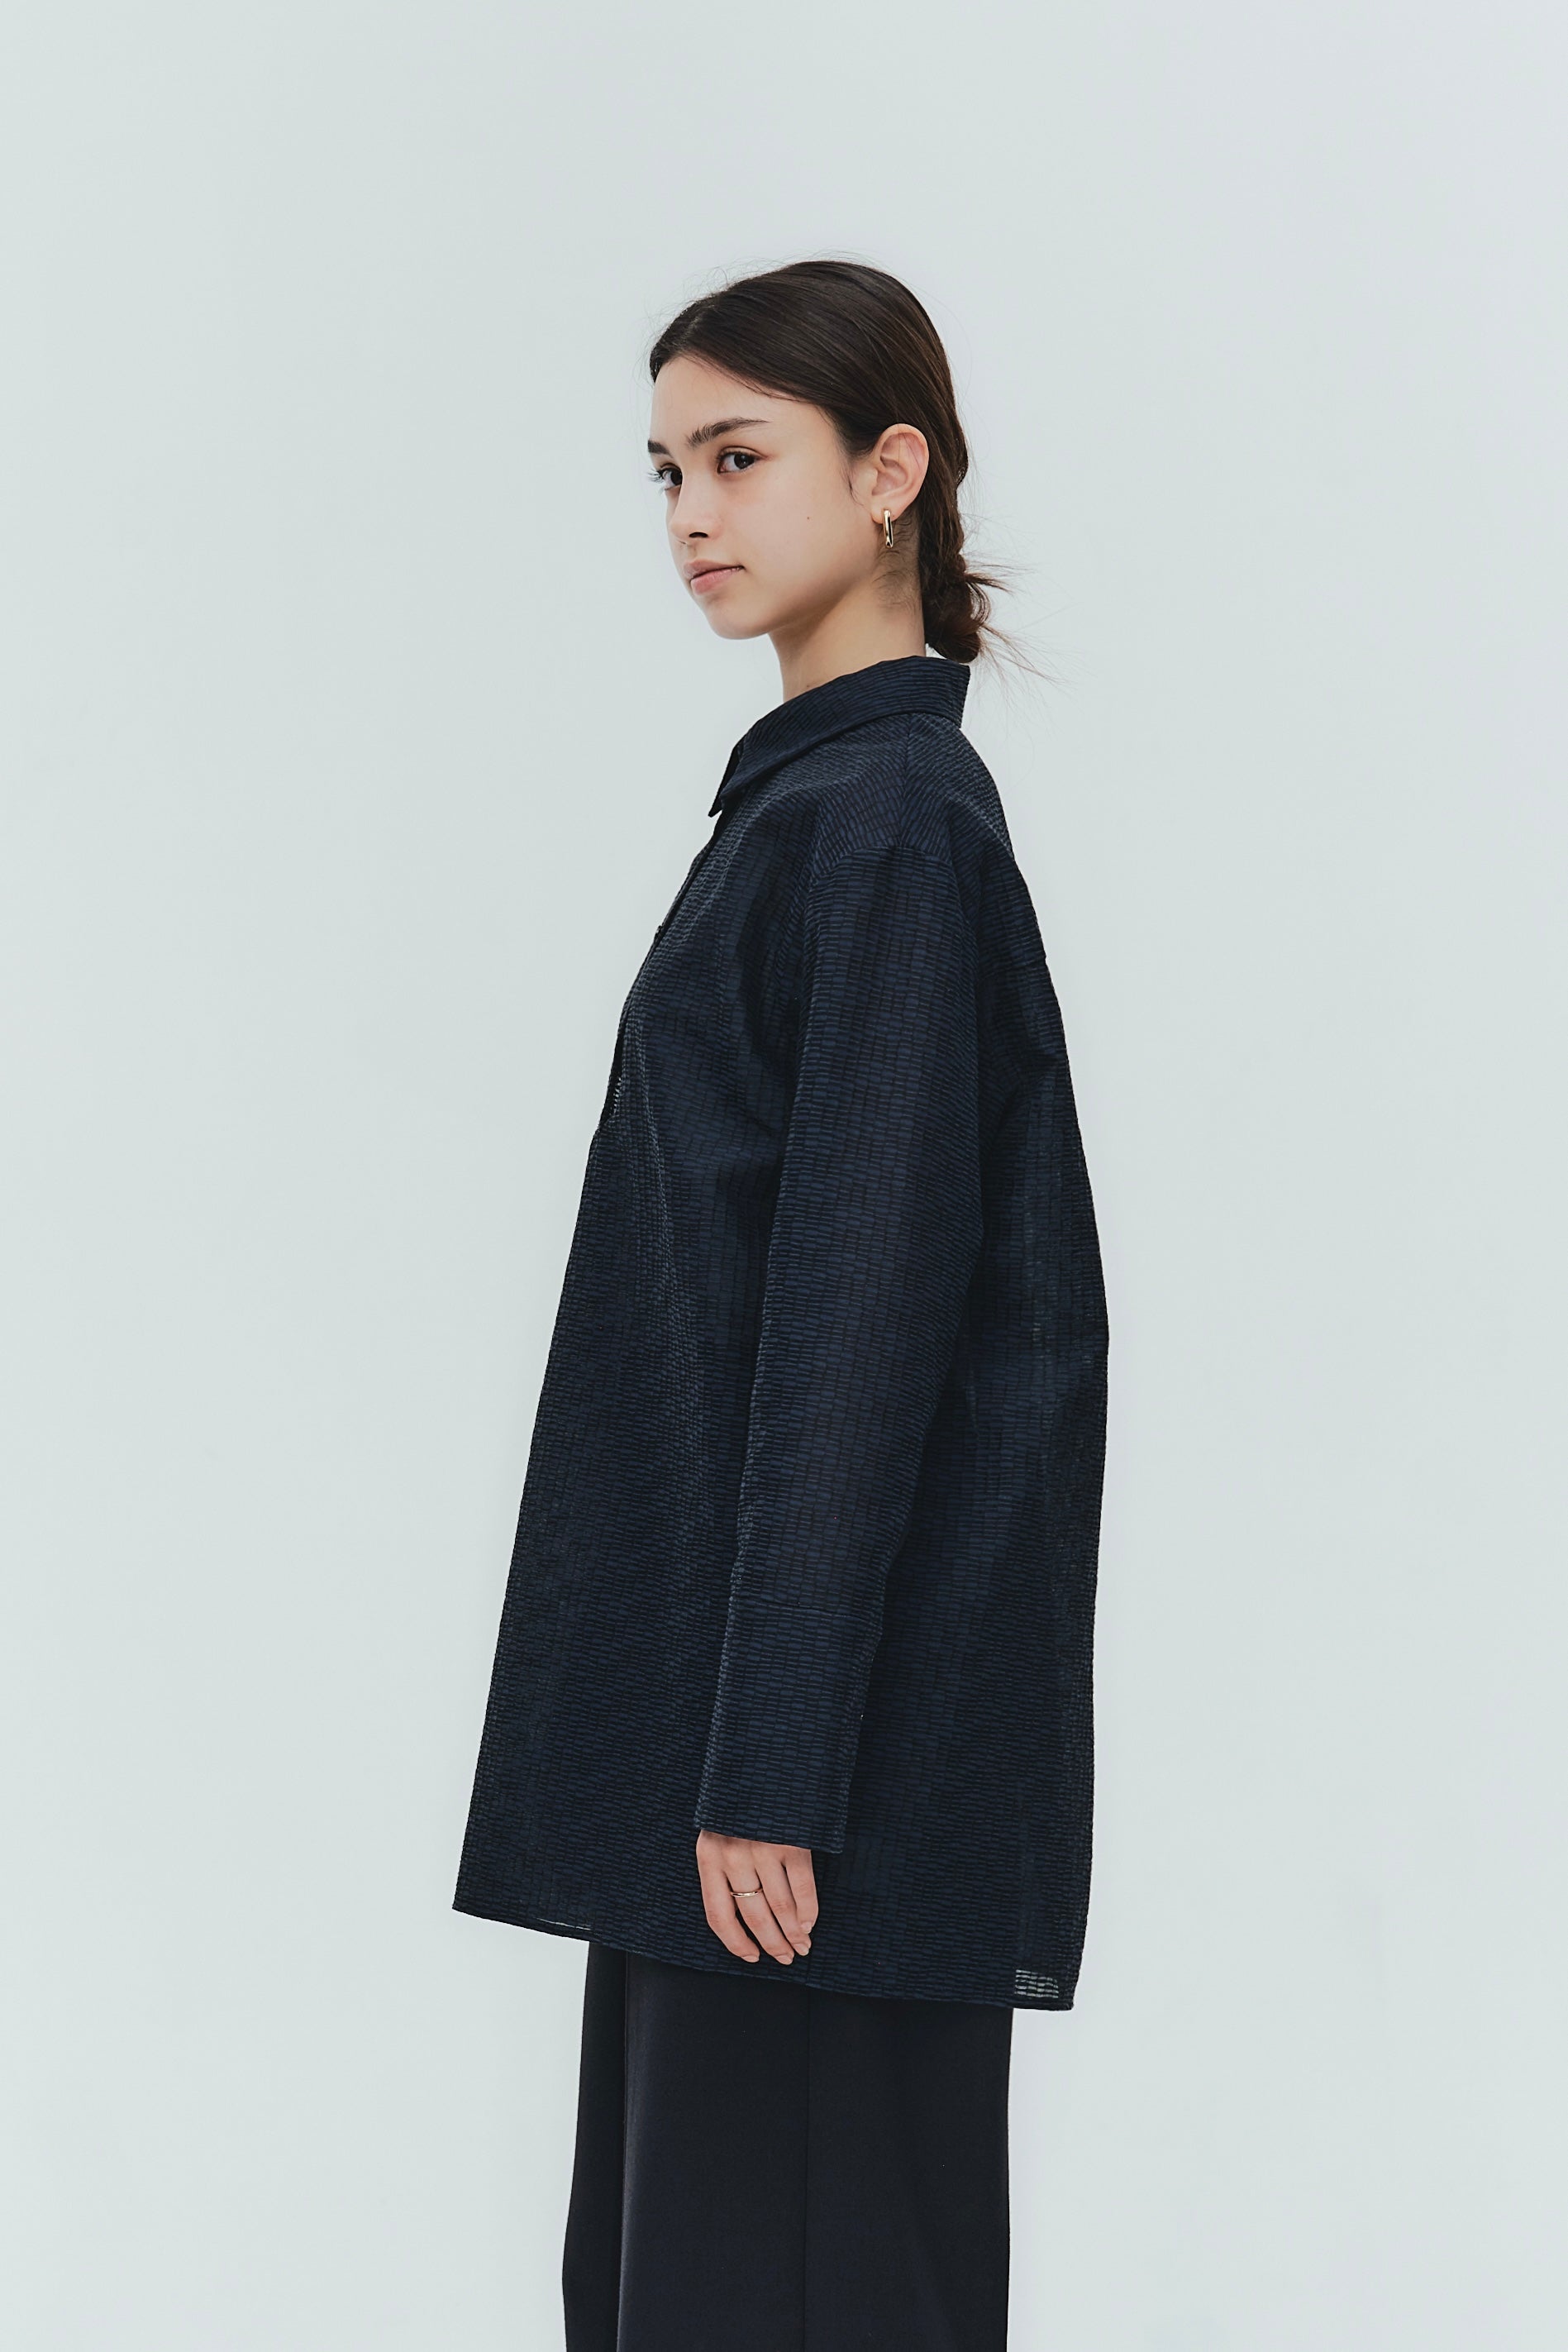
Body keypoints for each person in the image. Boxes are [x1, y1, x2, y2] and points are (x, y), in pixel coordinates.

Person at [453, 257, 1109, 2352]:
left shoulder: (886, 827)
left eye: (739, 457)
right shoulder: (819, 809)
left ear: (891, 471)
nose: (691, 515)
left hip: (807, 1810)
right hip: (752, 1772)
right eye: (666, 469)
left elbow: (860, 1322)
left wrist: (770, 1766)